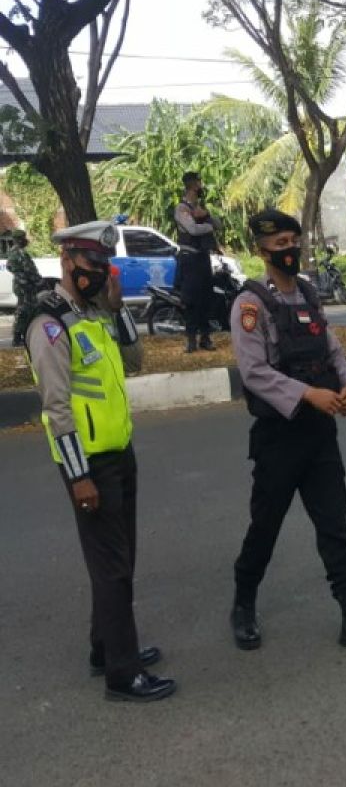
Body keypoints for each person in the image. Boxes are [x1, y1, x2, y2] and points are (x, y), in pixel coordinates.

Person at [229, 209, 346, 653]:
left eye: (292, 242)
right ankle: (243, 602)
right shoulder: (251, 305)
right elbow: (254, 372)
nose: (288, 251)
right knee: (265, 526)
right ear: (261, 251)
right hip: (278, 439)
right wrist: (308, 394)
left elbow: (332, 348)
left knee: (333, 524)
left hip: (319, 435)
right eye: (279, 245)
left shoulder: (307, 294)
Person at [25, 221, 175, 702]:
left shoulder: (93, 313)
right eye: (92, 265)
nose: (99, 273)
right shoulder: (49, 324)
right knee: (112, 567)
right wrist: (77, 476)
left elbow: (135, 363)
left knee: (121, 558)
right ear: (68, 261)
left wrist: (117, 307)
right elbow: (56, 409)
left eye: (103, 266)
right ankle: (122, 673)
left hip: (119, 453)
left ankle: (105, 648)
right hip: (89, 465)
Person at [174, 171, 222, 353]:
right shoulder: (181, 209)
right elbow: (192, 229)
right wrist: (208, 225)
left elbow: (219, 224)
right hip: (189, 260)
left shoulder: (201, 207)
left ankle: (206, 338)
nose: (201, 186)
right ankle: (191, 340)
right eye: (199, 183)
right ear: (191, 185)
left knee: (205, 299)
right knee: (191, 301)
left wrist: (207, 215)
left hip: (203, 259)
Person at [5, 228, 42, 347]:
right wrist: (40, 282)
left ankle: (21, 335)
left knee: (23, 309)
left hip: (19, 284)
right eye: (24, 238)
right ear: (20, 240)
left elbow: (9, 267)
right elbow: (30, 270)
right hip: (25, 286)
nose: (26, 240)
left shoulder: (12, 252)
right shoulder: (21, 253)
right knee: (25, 310)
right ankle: (18, 337)